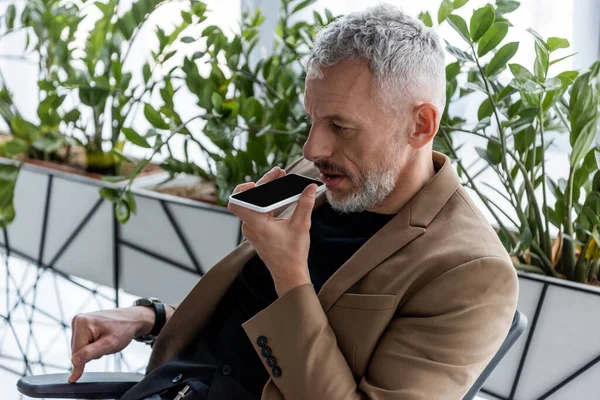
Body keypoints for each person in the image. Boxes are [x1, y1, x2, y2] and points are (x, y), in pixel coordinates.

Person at [68, 4, 518, 399]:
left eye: (340, 126)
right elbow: (247, 321)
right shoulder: (318, 181)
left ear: (420, 125)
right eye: (313, 119)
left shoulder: (469, 273)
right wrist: (150, 317)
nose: (311, 149)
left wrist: (290, 277)